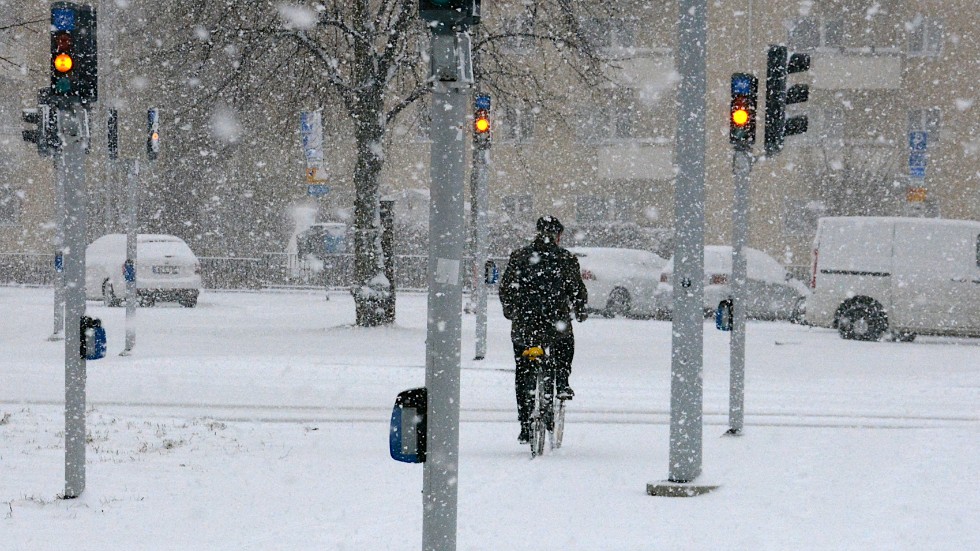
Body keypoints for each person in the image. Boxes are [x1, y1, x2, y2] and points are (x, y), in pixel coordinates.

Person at [499, 216, 588, 444]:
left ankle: (525, 426)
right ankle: (563, 382)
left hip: (525, 326)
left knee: (522, 372)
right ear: (558, 235)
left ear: (538, 233)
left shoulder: (520, 256)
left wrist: (511, 309)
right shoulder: (565, 259)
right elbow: (576, 289)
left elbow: (506, 288)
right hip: (554, 325)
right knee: (565, 346)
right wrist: (580, 310)